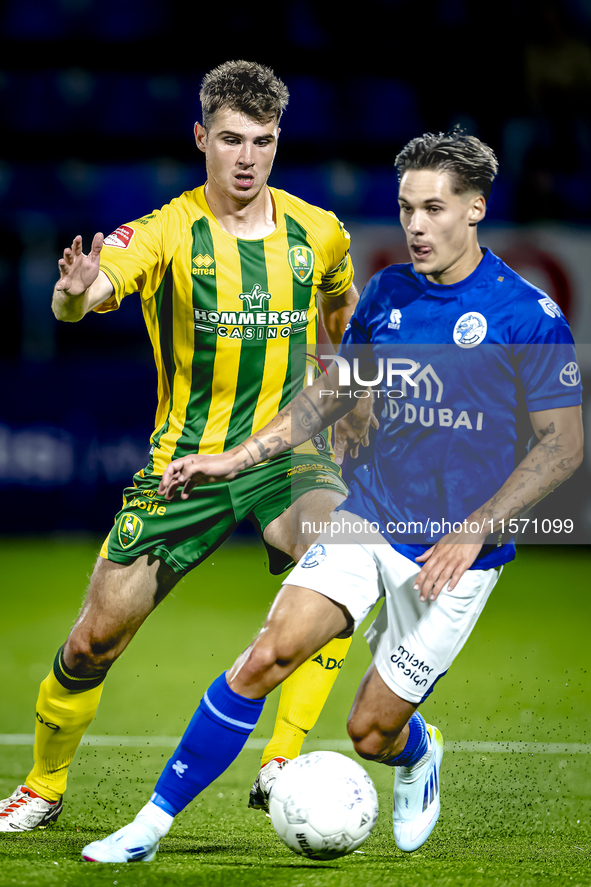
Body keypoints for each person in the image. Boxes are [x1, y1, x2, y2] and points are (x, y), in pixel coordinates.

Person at [79, 128, 584, 863]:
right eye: (406, 207)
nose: (414, 225)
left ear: (474, 208)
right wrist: (235, 458)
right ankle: (149, 826)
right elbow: (331, 392)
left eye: (434, 209)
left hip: (454, 556)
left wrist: (473, 529)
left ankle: (414, 753)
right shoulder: (386, 292)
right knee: (261, 659)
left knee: (368, 730)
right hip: (368, 516)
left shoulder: (526, 316)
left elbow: (563, 446)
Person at [0, 60, 376, 834]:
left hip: (284, 456)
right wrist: (73, 290)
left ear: (278, 143)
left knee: (344, 560)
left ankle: (279, 761)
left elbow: (343, 306)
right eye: (231, 139)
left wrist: (349, 388)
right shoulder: (168, 230)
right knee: (90, 644)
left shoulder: (318, 230)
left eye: (262, 142)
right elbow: (86, 298)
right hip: (183, 467)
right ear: (201, 137)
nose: (247, 158)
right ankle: (42, 784)